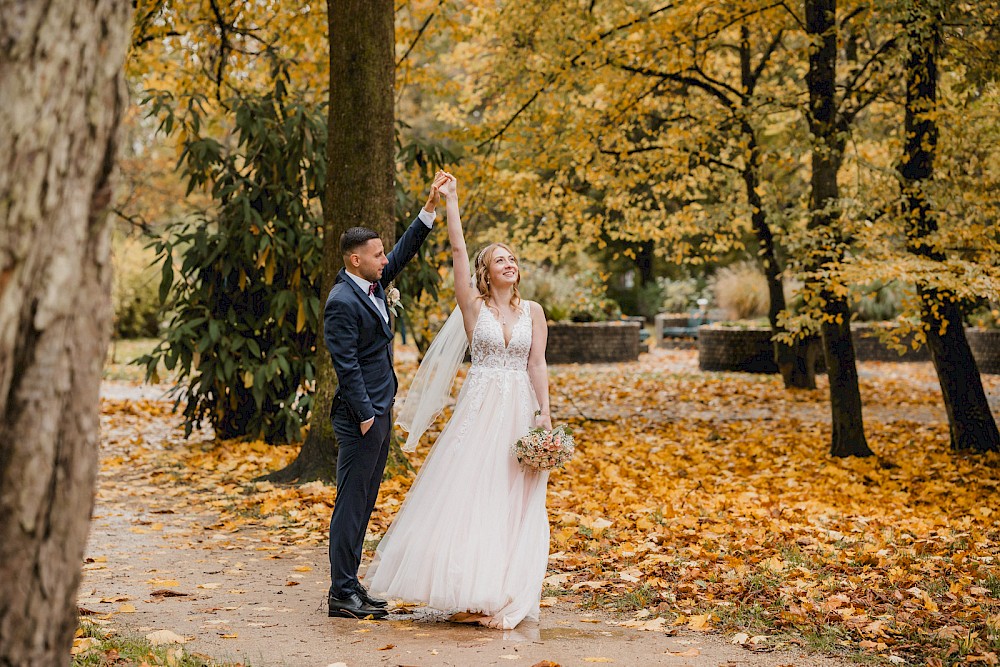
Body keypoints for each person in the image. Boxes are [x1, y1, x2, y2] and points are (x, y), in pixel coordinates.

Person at [362, 173, 553, 630]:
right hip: (480, 410)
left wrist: (545, 414)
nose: (509, 263)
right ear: (486, 272)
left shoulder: (534, 312)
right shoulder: (473, 306)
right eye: (500, 260)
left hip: (519, 410)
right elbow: (459, 250)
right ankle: (468, 589)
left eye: (513, 258)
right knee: (474, 491)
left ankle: (503, 588)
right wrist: (450, 202)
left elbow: (537, 364)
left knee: (515, 497)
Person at [324, 172, 450, 619]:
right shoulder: (342, 301)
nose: (384, 258)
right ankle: (341, 594)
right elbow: (346, 366)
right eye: (377, 254)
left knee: (364, 502)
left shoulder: (373, 284)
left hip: (380, 410)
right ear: (355, 259)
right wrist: (365, 416)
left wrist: (429, 208)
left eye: (383, 253)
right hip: (361, 417)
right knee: (350, 503)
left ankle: (351, 585)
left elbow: (404, 251)